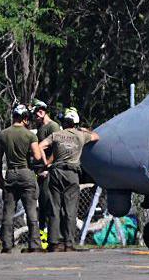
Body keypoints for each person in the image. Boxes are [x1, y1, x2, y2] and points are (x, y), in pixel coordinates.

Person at [40, 107, 99, 252]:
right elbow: (96, 136)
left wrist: (46, 163)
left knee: (54, 207)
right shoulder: (81, 135)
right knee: (70, 209)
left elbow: (41, 146)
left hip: (56, 172)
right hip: (72, 174)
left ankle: (53, 242)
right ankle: (69, 243)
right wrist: (84, 130)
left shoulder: (56, 135)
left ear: (64, 122)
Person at [0, 104, 46, 253]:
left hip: (10, 174)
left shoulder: (3, 134)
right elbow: (37, 156)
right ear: (24, 118)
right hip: (26, 174)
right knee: (31, 210)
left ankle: (6, 245)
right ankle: (34, 244)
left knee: (8, 212)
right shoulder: (30, 135)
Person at [30, 98, 60, 231]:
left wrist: (47, 166)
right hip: (39, 172)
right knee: (41, 205)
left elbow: (57, 149)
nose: (34, 117)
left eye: (36, 114)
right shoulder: (40, 127)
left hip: (48, 172)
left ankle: (52, 235)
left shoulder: (53, 127)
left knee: (49, 204)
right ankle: (42, 236)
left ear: (41, 112)